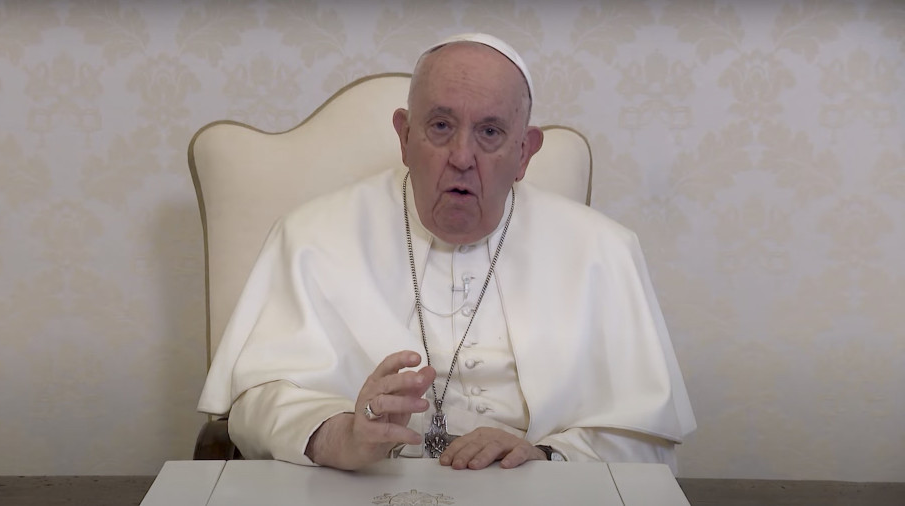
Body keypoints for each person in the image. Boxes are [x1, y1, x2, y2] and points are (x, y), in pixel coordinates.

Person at [197, 33, 696, 473]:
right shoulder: (309, 237)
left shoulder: (603, 252)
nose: (462, 157)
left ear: (525, 153)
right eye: (440, 126)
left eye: (491, 132)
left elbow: (646, 443)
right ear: (404, 135)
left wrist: (546, 457)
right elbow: (256, 403)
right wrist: (340, 435)